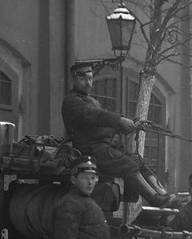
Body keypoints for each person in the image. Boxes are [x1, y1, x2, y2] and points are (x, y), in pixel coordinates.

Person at [61, 61, 175, 207]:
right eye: (83, 79)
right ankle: (155, 200)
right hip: (90, 149)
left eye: (90, 78)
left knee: (140, 163)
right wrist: (119, 120)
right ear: (73, 80)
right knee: (129, 166)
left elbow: (104, 125)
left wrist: (132, 125)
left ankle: (164, 196)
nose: (88, 83)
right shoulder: (72, 101)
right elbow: (94, 116)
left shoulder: (92, 101)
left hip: (104, 148)